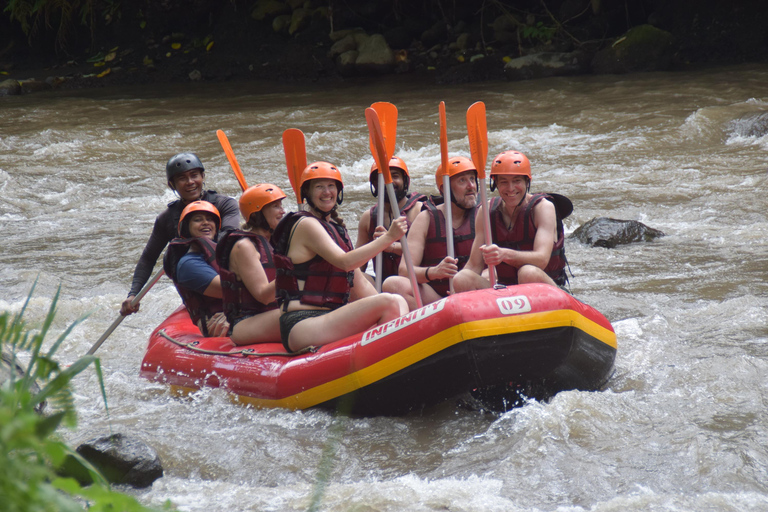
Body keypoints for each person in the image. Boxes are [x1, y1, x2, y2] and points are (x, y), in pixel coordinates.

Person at [271, 161, 409, 353]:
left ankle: (399, 356)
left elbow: (359, 283)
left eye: (331, 186)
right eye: (319, 187)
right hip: (302, 323)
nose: (327, 192)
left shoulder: (337, 230)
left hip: (332, 317)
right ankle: (390, 361)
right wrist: (389, 238)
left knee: (397, 300)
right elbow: (345, 263)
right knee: (388, 303)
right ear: (307, 193)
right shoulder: (305, 225)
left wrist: (395, 312)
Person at [121, 152, 240, 316]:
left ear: (203, 176)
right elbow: (149, 258)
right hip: (197, 281)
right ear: (172, 185)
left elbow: (230, 237)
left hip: (226, 274)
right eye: (182, 178)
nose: (190, 182)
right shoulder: (167, 218)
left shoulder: (224, 204)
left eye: (194, 175)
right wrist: (133, 294)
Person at [453, 150, 569, 292]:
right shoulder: (486, 210)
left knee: (527, 273)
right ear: (495, 184)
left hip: (545, 288)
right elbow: (474, 265)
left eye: (516, 181)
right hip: (506, 290)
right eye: (503, 182)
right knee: (462, 278)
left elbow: (542, 259)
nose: (510, 188)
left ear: (527, 182)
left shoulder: (543, 208)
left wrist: (505, 254)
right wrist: (454, 292)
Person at [382, 156, 478, 310]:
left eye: (472, 179)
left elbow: (493, 270)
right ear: (444, 189)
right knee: (393, 284)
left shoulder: (483, 215)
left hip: (475, 295)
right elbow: (405, 270)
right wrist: (435, 272)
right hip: (437, 301)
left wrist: (465, 283)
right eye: (462, 181)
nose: (471, 186)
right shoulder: (426, 219)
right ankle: (438, 322)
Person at [215, 183, 286, 345]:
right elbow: (264, 296)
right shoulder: (244, 246)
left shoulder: (276, 242)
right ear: (257, 214)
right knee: (307, 311)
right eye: (275, 207)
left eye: (281, 206)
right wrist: (296, 269)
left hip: (272, 315)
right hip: (247, 323)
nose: (282, 211)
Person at [162, 201, 229, 337]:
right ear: (186, 228)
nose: (205, 223)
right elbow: (228, 290)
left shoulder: (225, 252)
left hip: (236, 313)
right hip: (218, 324)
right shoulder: (189, 264)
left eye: (209, 219)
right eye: (198, 220)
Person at [355, 156, 426, 283]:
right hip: (381, 286)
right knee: (353, 277)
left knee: (394, 284)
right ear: (374, 184)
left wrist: (391, 245)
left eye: (395, 176)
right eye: (382, 177)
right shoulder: (368, 218)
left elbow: (429, 253)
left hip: (413, 285)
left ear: (405, 182)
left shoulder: (420, 211)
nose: (389, 181)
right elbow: (358, 265)